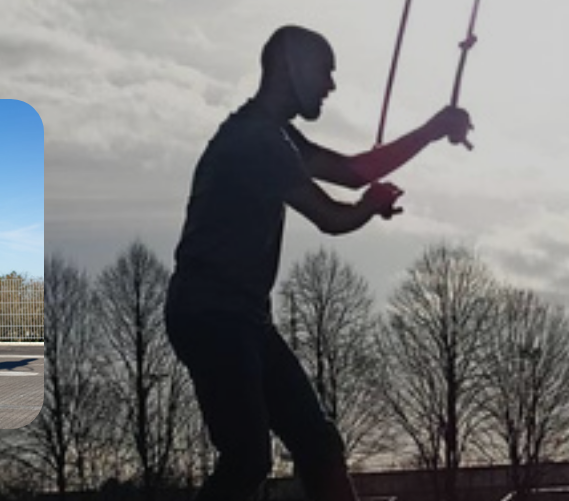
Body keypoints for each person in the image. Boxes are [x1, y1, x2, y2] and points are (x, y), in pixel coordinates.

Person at [166, 25, 473, 501]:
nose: (331, 85)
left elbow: (355, 172)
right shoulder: (256, 141)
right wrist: (369, 206)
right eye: (325, 71)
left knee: (318, 444)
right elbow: (332, 217)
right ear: (292, 67)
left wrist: (431, 132)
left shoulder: (276, 135)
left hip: (242, 317)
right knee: (247, 457)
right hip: (211, 315)